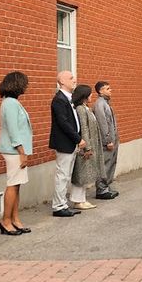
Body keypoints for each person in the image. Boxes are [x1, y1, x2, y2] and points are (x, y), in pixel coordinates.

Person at [0, 71, 32, 235]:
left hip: (16, 150)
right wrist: (22, 152)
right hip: (14, 151)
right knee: (12, 185)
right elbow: (13, 130)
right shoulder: (10, 103)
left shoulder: (12, 102)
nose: (26, 86)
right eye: (24, 83)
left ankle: (15, 219)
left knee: (16, 185)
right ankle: (6, 221)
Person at [49, 71, 83, 217]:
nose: (74, 80)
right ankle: (58, 206)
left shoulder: (69, 99)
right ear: (62, 82)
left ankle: (63, 204)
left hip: (71, 142)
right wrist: (78, 138)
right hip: (65, 142)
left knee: (66, 175)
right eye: (71, 78)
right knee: (62, 175)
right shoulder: (59, 100)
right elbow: (63, 123)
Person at [70, 84, 104, 210]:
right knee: (81, 173)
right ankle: (77, 201)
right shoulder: (80, 109)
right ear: (84, 96)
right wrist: (87, 148)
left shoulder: (86, 108)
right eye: (89, 94)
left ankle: (82, 199)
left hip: (91, 144)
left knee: (85, 174)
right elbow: (84, 128)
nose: (91, 96)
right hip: (85, 147)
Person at [93, 81, 120, 199]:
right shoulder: (99, 104)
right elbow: (102, 124)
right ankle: (101, 189)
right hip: (107, 142)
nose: (110, 90)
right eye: (108, 88)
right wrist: (107, 141)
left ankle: (106, 187)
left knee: (111, 163)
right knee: (105, 165)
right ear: (100, 91)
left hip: (113, 139)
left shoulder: (106, 103)